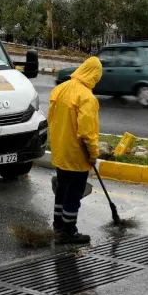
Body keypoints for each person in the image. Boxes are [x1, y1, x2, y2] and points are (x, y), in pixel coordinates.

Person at [48, 57, 102, 244]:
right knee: (74, 192)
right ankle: (69, 231)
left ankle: (58, 225)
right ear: (94, 75)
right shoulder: (87, 98)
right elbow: (87, 132)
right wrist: (93, 154)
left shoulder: (60, 89)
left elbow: (51, 120)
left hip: (60, 149)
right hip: (76, 153)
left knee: (62, 187)